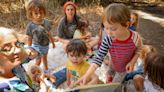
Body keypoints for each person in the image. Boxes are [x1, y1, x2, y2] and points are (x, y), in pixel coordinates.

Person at [75, 3, 143, 85]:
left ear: (127, 24)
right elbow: (98, 57)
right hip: (112, 64)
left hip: (123, 70)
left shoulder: (135, 38)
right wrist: (87, 75)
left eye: (113, 29)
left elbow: (139, 49)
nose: (109, 32)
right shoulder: (108, 39)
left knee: (114, 86)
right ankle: (109, 77)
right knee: (110, 74)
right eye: (106, 28)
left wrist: (132, 62)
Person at [0, 27, 39, 91]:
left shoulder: (13, 63)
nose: (18, 50)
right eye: (7, 49)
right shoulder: (4, 88)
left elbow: (36, 53)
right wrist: (44, 86)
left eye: (17, 44)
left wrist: (28, 51)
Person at [26, 0, 55, 73]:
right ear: (31, 14)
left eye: (41, 13)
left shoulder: (46, 22)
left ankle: (46, 69)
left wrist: (53, 42)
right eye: (36, 13)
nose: (39, 15)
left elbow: (49, 33)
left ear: (44, 12)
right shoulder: (30, 26)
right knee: (38, 60)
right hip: (36, 46)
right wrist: (29, 47)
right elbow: (29, 37)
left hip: (45, 45)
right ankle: (35, 72)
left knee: (45, 58)